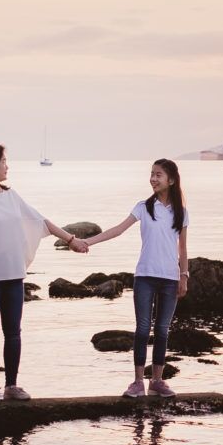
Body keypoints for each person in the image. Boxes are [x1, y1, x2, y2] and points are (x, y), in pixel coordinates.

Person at [0, 142, 88, 401]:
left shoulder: (11, 196)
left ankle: (12, 385)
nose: (7, 165)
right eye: (4, 161)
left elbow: (40, 221)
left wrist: (71, 240)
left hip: (13, 274)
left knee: (14, 332)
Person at [81, 158, 188, 398]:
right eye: (151, 174)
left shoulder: (181, 212)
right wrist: (88, 241)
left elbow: (183, 249)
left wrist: (184, 276)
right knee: (142, 329)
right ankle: (138, 382)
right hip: (145, 277)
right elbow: (117, 230)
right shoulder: (143, 207)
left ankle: (157, 382)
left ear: (170, 180)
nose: (153, 178)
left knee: (162, 330)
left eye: (158, 174)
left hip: (170, 278)